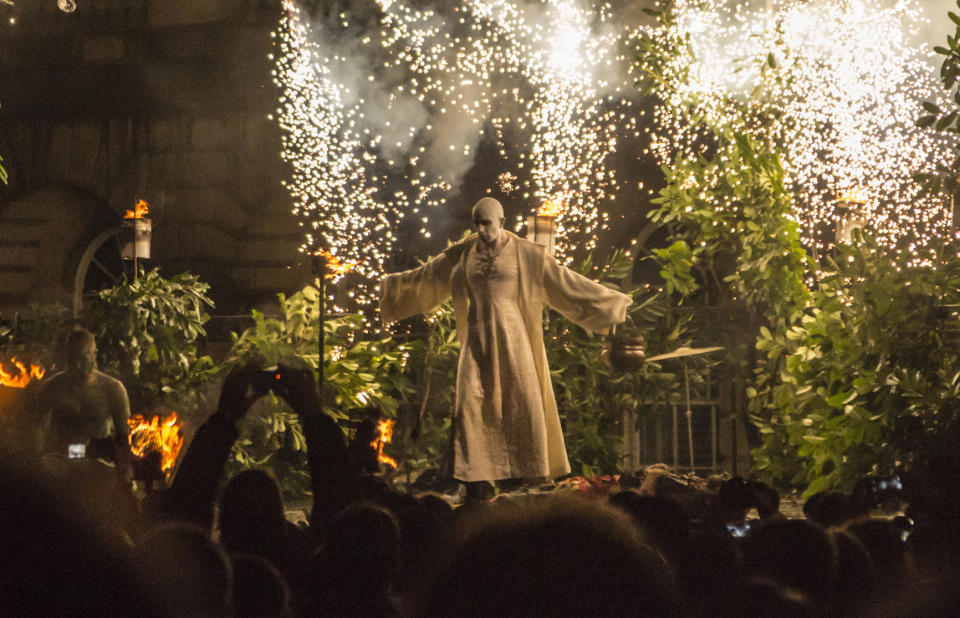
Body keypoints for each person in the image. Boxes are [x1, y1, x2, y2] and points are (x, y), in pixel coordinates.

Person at [380, 197, 631, 492]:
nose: (481, 229)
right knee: (472, 407)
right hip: (476, 344)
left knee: (521, 402)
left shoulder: (527, 255)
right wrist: (388, 290)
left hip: (515, 340)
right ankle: (477, 480)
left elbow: (565, 282)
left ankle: (528, 475)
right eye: (476, 223)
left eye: (486, 223)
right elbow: (425, 279)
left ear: (501, 222)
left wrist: (612, 305)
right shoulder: (460, 256)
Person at [34, 327, 131, 462]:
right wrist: (39, 461)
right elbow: (39, 431)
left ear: (94, 355)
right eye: (72, 360)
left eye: (83, 358)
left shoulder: (113, 389)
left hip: (99, 463)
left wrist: (124, 469)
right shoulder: (52, 387)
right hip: (61, 463)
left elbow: (124, 437)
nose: (78, 366)